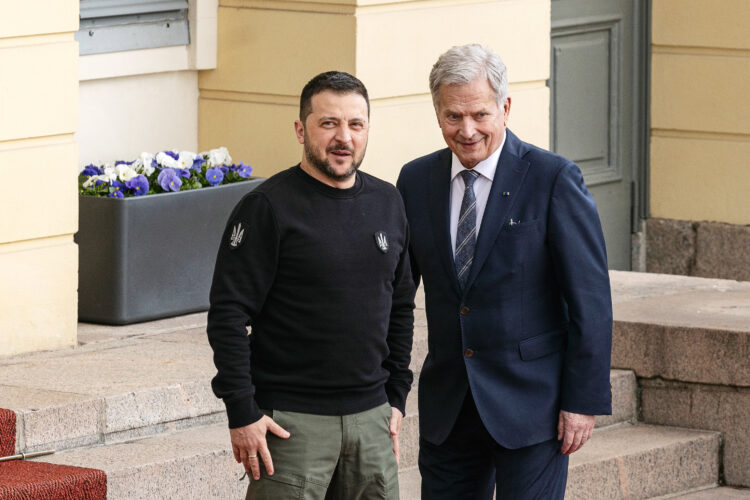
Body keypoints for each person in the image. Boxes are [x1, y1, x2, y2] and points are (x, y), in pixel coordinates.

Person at [396, 44, 613, 499]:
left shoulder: (554, 178)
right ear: (437, 113)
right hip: (449, 409)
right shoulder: (415, 181)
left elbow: (590, 302)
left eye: (479, 113)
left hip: (533, 408)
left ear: (505, 107)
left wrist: (582, 401)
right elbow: (396, 297)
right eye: (453, 116)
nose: (467, 129)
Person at [207, 71, 415, 500]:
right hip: (292, 427)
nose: (344, 137)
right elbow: (228, 315)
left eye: (355, 125)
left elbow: (401, 305)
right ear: (301, 129)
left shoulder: (388, 202)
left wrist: (395, 395)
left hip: (372, 421)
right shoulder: (266, 209)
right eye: (329, 123)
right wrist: (242, 411)